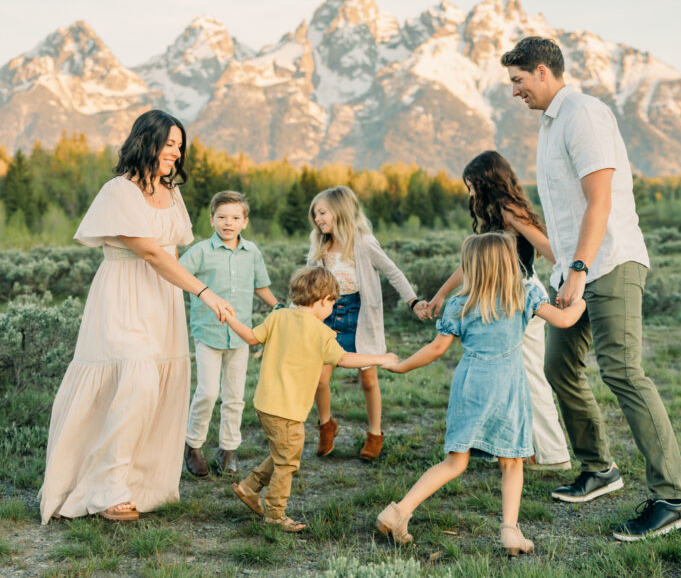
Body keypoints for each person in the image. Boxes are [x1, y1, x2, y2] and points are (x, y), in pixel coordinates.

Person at [500, 37, 681, 541]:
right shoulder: (550, 125)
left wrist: (580, 269)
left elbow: (599, 201)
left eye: (519, 81)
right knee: (558, 365)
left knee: (623, 371)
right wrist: (561, 267)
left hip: (609, 264)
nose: (515, 92)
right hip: (574, 270)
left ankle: (674, 498)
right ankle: (599, 469)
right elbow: (565, 213)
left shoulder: (584, 115)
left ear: (543, 71)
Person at [39, 110, 232, 524]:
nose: (175, 153)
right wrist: (204, 292)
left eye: (180, 146)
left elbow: (174, 252)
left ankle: (140, 484)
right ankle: (104, 486)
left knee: (159, 388)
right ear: (146, 141)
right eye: (168, 144)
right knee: (137, 381)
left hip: (162, 302)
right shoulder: (118, 192)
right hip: (122, 296)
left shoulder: (172, 193)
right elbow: (149, 252)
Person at [377, 233, 585, 555]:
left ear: (471, 267)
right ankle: (510, 532)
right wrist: (582, 299)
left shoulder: (461, 303)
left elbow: (436, 350)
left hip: (471, 384)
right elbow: (565, 319)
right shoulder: (524, 294)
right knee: (512, 462)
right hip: (507, 385)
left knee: (454, 461)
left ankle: (399, 512)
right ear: (508, 262)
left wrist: (402, 366)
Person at [426, 151, 570, 471]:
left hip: (520, 299)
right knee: (507, 378)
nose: (471, 192)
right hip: (502, 301)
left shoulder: (509, 210)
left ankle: (552, 454)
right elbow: (474, 263)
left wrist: (568, 280)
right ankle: (511, 446)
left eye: (473, 184)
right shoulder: (496, 213)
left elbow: (548, 249)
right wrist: (441, 294)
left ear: (488, 180)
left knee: (530, 375)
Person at [226, 266, 399, 532]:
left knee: (284, 452)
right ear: (323, 301)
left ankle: (249, 487)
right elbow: (345, 359)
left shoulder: (278, 316)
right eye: (332, 303)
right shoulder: (321, 333)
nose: (332, 308)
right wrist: (380, 358)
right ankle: (274, 512)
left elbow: (250, 337)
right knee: (288, 461)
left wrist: (229, 318)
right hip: (288, 411)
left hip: (265, 405)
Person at [306, 185, 425, 461]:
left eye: (322, 212)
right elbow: (307, 285)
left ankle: (375, 434)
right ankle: (326, 426)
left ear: (341, 211)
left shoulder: (364, 243)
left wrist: (413, 301)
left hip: (361, 317)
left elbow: (393, 273)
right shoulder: (320, 245)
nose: (318, 219)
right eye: (315, 214)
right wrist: (291, 314)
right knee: (319, 378)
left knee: (369, 380)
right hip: (329, 319)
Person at [180, 190, 280, 477]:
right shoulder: (200, 252)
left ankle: (228, 449)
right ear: (212, 219)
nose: (228, 223)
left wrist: (279, 306)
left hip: (241, 335)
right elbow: (179, 275)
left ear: (244, 222)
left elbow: (260, 286)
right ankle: (194, 445)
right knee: (208, 392)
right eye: (222, 217)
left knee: (235, 396)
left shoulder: (252, 253)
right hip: (208, 333)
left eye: (235, 218)